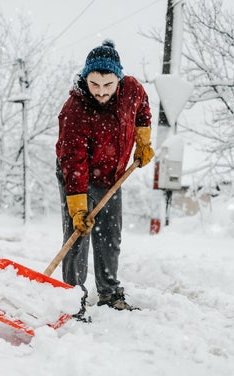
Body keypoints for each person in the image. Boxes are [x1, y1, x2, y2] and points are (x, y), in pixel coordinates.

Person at [55, 40, 155, 315]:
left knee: (110, 233)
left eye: (108, 85)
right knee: (79, 234)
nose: (100, 92)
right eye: (94, 84)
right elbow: (73, 161)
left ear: (119, 80)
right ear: (85, 78)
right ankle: (72, 298)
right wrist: (78, 208)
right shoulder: (74, 111)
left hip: (112, 174)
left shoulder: (132, 89)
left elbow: (143, 110)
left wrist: (143, 142)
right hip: (79, 176)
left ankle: (109, 293)